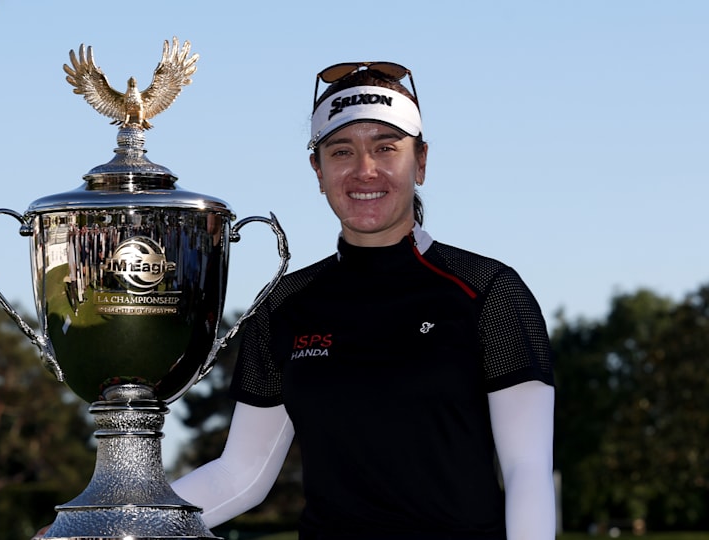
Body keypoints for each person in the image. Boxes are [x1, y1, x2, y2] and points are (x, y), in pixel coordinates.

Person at [169, 61, 556, 539]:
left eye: (386, 148)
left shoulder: (488, 291)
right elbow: (240, 475)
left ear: (422, 161)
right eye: (341, 151)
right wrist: (114, 524)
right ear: (318, 168)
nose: (364, 170)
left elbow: (528, 473)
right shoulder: (283, 306)